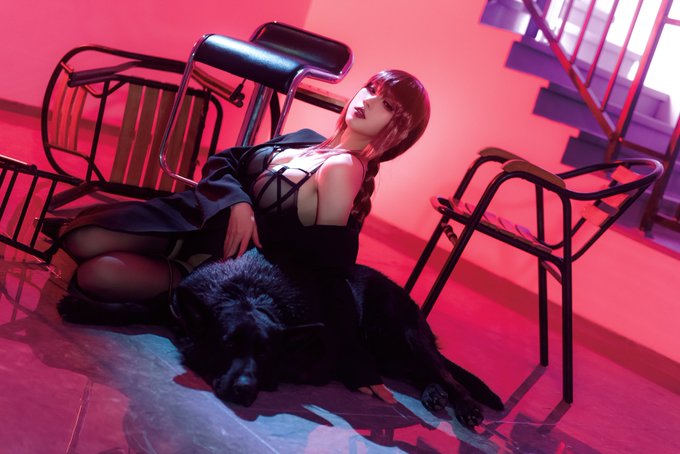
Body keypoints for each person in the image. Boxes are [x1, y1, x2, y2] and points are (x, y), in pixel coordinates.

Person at [57, 69, 430, 402]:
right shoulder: (306, 139)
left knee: (95, 276)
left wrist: (357, 364)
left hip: (218, 267)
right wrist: (239, 204)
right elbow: (224, 162)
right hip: (193, 220)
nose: (368, 101)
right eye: (370, 89)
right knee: (79, 238)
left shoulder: (344, 168)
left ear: (398, 131)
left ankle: (175, 298)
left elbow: (329, 267)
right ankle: (161, 284)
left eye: (387, 105)